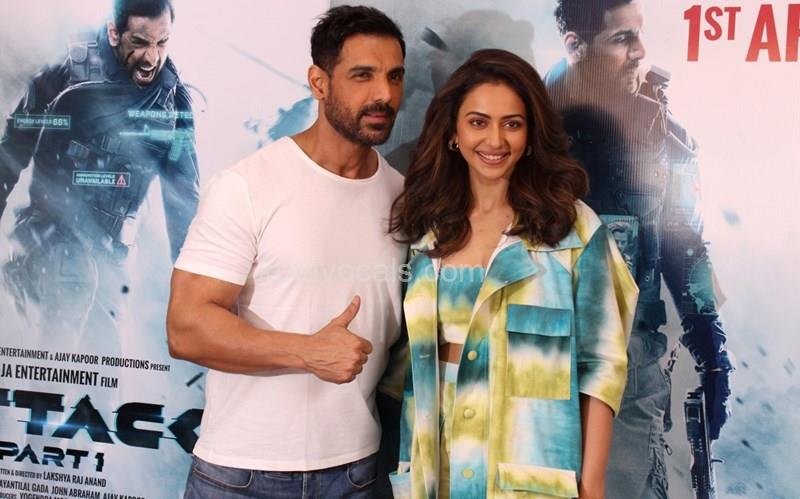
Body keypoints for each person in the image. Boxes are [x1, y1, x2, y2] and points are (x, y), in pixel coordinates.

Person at [166, 5, 407, 498]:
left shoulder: (403, 198)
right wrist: (307, 351)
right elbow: (186, 327)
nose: (384, 94)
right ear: (319, 83)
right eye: (362, 75)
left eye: (394, 76)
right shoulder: (247, 185)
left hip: (357, 471)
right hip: (242, 474)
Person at [388, 48, 637, 499]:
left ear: (531, 133)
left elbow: (601, 364)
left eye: (512, 124)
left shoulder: (574, 230)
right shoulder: (427, 230)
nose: (495, 140)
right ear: (453, 132)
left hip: (527, 472)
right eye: (478, 122)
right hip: (434, 464)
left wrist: (592, 485)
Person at [544, 1, 735, 497]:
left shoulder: (664, 136)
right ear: (575, 46)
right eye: (621, 38)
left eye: (639, 34)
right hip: (533, 358)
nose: (640, 51)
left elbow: (685, 248)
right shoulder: (522, 127)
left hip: (629, 368)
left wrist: (712, 352)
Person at [0, 0, 199, 345]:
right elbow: (10, 151)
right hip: (53, 239)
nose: (151, 58)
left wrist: (196, 285)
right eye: (140, 42)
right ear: (114, 33)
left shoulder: (172, 104)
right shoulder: (64, 74)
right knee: (59, 334)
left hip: (112, 256)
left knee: (108, 356)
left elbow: (183, 196)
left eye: (162, 42)